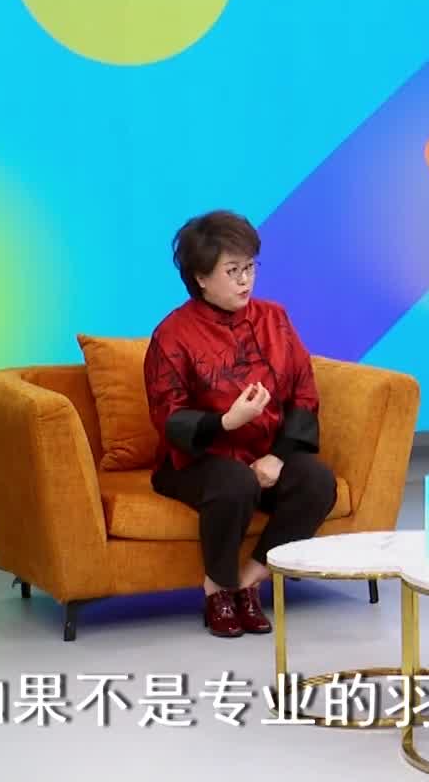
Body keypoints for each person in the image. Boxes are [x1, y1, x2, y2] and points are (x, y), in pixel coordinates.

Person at [143, 211, 338, 639]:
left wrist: (277, 457)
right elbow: (169, 418)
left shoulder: (275, 319)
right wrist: (227, 421)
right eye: (232, 271)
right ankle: (217, 588)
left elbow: (304, 393)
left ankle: (250, 580)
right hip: (197, 462)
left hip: (263, 453)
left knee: (317, 481)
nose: (245, 280)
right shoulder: (172, 335)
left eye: (250, 267)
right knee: (235, 482)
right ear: (201, 278)